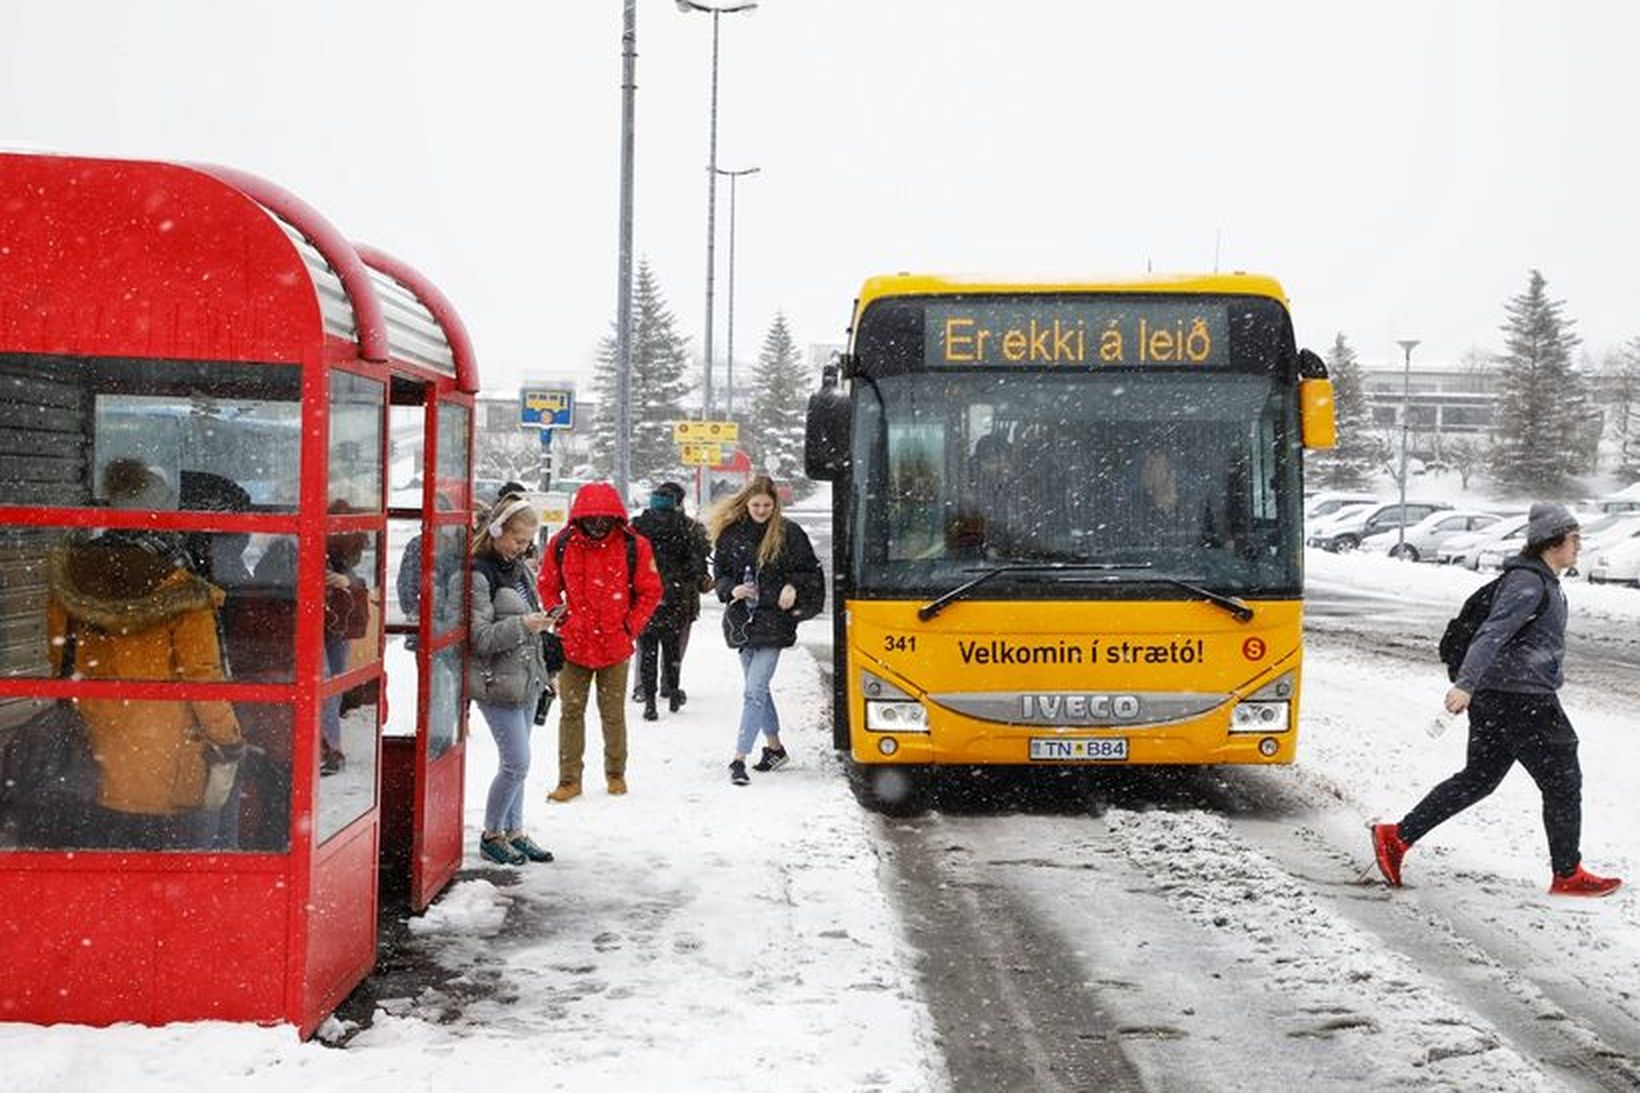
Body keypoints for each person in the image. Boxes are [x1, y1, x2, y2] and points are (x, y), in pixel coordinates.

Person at [1371, 502, 1623, 898]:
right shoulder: (1528, 584)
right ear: (1553, 542)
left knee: (1479, 779)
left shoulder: (1540, 580)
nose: (1579, 546)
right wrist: (1465, 685)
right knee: (1562, 780)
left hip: (1503, 697)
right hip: (1521, 700)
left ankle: (1397, 837)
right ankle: (1567, 872)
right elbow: (1491, 634)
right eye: (1575, 539)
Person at [45, 458, 244, 850]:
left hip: (96, 750)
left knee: (109, 869)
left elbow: (60, 662)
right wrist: (228, 739)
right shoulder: (181, 585)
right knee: (195, 859)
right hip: (169, 759)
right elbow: (202, 676)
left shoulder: (73, 577)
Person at [537, 482, 662, 801]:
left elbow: (650, 591)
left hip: (614, 644)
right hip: (574, 643)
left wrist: (628, 627)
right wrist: (560, 616)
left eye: (603, 519)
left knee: (613, 713)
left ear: (614, 518)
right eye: (591, 519)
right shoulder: (563, 542)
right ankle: (569, 779)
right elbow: (547, 584)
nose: (597, 525)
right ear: (580, 518)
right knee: (570, 712)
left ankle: (616, 774)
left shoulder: (635, 545)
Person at [709, 475, 825, 786]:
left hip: (774, 622)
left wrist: (792, 586)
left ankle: (738, 759)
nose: (761, 510)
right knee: (758, 690)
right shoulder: (731, 534)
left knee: (753, 691)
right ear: (746, 503)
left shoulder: (790, 534)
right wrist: (731, 589)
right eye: (756, 504)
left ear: (776, 505)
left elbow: (810, 573)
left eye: (767, 505)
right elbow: (719, 573)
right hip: (741, 623)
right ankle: (775, 749)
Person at [462, 495, 556, 866]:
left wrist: (542, 634)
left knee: (522, 762)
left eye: (528, 541)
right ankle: (491, 833)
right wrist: (523, 624)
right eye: (517, 540)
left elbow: (529, 618)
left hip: (526, 676)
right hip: (494, 681)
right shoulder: (479, 573)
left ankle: (515, 831)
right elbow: (479, 637)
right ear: (497, 531)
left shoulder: (520, 570)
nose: (523, 547)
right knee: (515, 762)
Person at [630, 481, 710, 720]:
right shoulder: (687, 527)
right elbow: (697, 564)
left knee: (647, 648)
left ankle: (648, 698)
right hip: (677, 598)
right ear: (677, 503)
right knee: (673, 647)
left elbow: (628, 560)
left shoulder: (638, 527)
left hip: (646, 597)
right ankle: (672, 690)